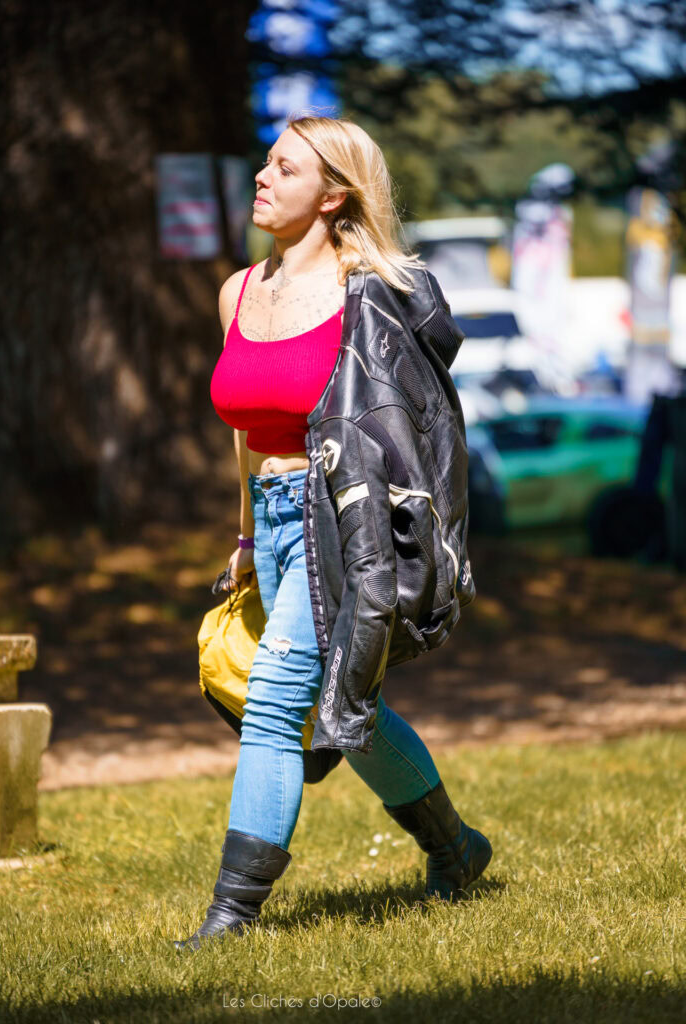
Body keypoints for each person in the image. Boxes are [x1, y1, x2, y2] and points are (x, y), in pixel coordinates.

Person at [175, 116, 491, 952]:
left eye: (285, 168)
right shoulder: (239, 291)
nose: (262, 177)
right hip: (275, 521)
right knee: (347, 704)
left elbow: (423, 425)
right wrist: (247, 538)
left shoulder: (376, 292)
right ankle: (457, 851)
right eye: (265, 163)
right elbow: (245, 434)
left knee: (277, 701)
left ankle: (230, 917)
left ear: (333, 194)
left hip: (349, 526)